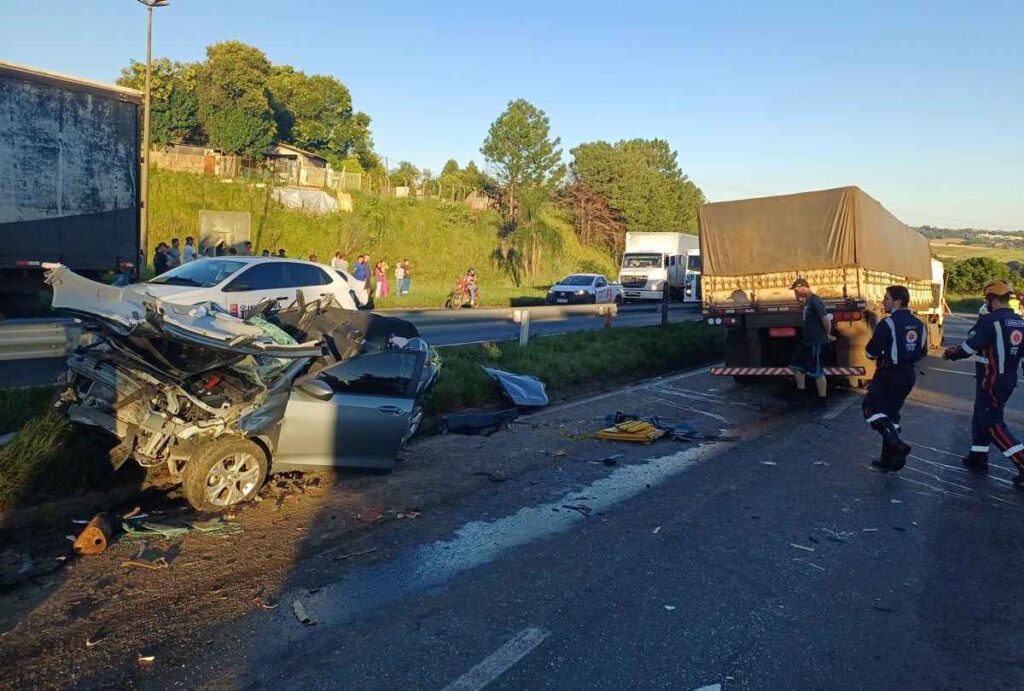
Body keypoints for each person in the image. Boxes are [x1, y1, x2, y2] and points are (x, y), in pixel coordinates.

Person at [943, 279, 1024, 486]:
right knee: (982, 415)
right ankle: (977, 457)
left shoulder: (990, 321)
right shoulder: (1020, 322)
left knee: (992, 424)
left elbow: (969, 347)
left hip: (992, 379)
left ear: (992, 299)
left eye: (987, 299)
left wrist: (950, 354)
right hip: (1008, 379)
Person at [862, 286, 927, 472]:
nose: (884, 302)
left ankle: (896, 444)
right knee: (891, 415)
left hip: (888, 374)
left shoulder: (887, 324)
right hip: (908, 375)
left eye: (887, 299)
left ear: (898, 302)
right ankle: (891, 460)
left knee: (870, 408)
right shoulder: (920, 324)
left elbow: (869, 352)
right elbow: (923, 351)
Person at [789, 278, 834, 408]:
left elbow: (825, 319)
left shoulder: (815, 301)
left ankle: (822, 400)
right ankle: (802, 395)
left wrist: (827, 334)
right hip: (806, 342)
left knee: (817, 371)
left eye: (797, 291)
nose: (796, 293)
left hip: (816, 342)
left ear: (803, 288)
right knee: (796, 366)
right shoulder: (807, 302)